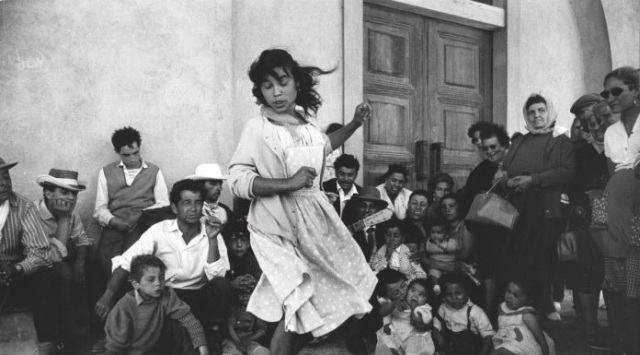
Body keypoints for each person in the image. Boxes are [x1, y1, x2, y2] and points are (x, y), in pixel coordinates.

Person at [227, 48, 377, 355]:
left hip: (316, 222)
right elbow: (237, 179)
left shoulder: (306, 122)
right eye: (267, 86)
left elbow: (322, 147)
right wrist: (288, 183)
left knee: (323, 294)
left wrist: (354, 125)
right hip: (275, 226)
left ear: (297, 82)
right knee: (295, 299)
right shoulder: (258, 128)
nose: (276, 92)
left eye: (282, 82)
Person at [95, 179, 231, 353]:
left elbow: (218, 277)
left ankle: (214, 340)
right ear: (174, 207)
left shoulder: (213, 233)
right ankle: (115, 340)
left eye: (198, 203)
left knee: (221, 285)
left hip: (198, 296)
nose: (193, 208)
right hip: (165, 296)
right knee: (134, 283)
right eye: (186, 203)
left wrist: (212, 239)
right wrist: (108, 295)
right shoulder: (160, 230)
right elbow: (127, 261)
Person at [497, 93, 575, 320]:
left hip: (546, 207)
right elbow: (506, 169)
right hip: (518, 206)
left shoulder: (560, 139)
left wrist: (533, 180)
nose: (536, 115)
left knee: (542, 257)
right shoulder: (520, 140)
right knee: (519, 257)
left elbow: (567, 171)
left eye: (541, 110)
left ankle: (546, 304)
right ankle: (521, 303)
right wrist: (508, 182)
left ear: (549, 111)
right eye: (531, 112)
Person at [0, 157, 61, 355]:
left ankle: (47, 345)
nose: (4, 183)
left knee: (45, 276)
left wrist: (17, 269)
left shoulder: (24, 207)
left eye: (6, 176)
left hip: (14, 277)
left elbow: (40, 252)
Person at [93, 126, 170, 277]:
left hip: (142, 223)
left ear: (139, 148)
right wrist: (113, 221)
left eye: (136, 153)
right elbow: (100, 207)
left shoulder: (154, 171)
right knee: (106, 258)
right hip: (114, 224)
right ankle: (112, 296)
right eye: (126, 155)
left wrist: (142, 215)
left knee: (135, 261)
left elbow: (163, 203)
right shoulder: (106, 171)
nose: (133, 159)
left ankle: (132, 295)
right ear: (117, 152)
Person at [565, 97, 610, 350]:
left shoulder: (620, 142)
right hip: (588, 217)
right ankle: (591, 328)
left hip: (620, 215)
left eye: (590, 113)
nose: (588, 120)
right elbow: (571, 185)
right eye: (582, 117)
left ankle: (618, 325)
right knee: (589, 270)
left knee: (616, 272)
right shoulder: (579, 151)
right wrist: (579, 203)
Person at [601, 66, 640, 355]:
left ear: (635, 90)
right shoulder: (611, 133)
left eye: (617, 91)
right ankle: (625, 343)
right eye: (607, 93)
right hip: (618, 213)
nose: (611, 98)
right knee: (623, 290)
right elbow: (612, 177)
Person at [104, 254, 209, 355]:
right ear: (136, 283)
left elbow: (190, 321)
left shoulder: (167, 295)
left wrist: (203, 349)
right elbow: (115, 348)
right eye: (151, 279)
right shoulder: (124, 308)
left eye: (161, 277)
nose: (158, 283)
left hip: (155, 350)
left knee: (179, 322)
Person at [35, 169, 92, 344]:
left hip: (61, 259)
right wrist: (63, 218)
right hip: (39, 263)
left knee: (92, 269)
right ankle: (62, 333)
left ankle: (89, 331)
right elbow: (53, 257)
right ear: (48, 192)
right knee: (61, 273)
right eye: (65, 192)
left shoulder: (72, 215)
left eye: (74, 193)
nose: (71, 198)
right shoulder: (33, 213)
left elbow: (81, 240)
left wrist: (80, 263)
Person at [464, 124, 511, 320]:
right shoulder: (482, 169)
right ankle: (491, 315)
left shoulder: (515, 163)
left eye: (493, 147)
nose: (490, 152)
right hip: (490, 229)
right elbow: (471, 199)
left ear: (504, 144)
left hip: (513, 228)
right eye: (486, 148)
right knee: (490, 271)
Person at [433, 272, 495, 355]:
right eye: (449, 294)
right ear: (444, 295)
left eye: (458, 293)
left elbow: (488, 337)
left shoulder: (475, 312)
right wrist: (439, 337)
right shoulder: (443, 308)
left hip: (471, 351)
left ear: (467, 292)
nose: (454, 298)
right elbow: (434, 327)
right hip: (449, 348)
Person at [491, 280, 554, 355]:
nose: (509, 297)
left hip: (523, 346)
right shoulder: (502, 308)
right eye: (508, 291)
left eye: (516, 295)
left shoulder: (526, 315)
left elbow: (542, 340)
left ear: (527, 300)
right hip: (506, 342)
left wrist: (545, 351)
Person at [375, 277, 435, 355]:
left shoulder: (424, 309)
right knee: (386, 340)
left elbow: (422, 324)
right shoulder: (398, 302)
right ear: (407, 291)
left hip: (414, 335)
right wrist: (392, 305)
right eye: (413, 291)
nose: (415, 295)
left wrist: (415, 309)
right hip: (396, 334)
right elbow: (383, 312)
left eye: (421, 295)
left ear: (426, 300)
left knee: (417, 344)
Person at [342, 187, 390, 262]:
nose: (367, 210)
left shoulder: (385, 231)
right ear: (357, 208)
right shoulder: (349, 230)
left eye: (372, 206)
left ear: (378, 210)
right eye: (363, 206)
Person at [223, 222, 262, 296]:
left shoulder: (255, 261)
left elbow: (263, 284)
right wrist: (231, 284)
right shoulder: (223, 261)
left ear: (249, 243)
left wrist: (254, 283)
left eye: (243, 240)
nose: (239, 245)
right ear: (227, 243)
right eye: (234, 240)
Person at [322, 154, 362, 218]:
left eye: (350, 175)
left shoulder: (361, 193)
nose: (346, 179)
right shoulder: (324, 188)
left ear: (356, 175)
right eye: (342, 174)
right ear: (336, 173)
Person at [424, 219, 457, 295]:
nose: (435, 235)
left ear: (446, 234)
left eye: (439, 233)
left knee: (451, 279)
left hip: (449, 264)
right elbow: (428, 249)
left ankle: (449, 291)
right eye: (432, 232)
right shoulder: (429, 241)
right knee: (432, 273)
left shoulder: (450, 241)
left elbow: (453, 248)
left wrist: (441, 245)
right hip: (435, 265)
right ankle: (436, 286)